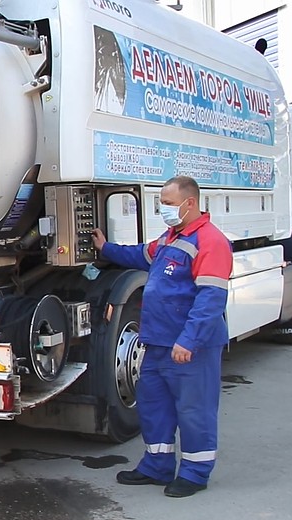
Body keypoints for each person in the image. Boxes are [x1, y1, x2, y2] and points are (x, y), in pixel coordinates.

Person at [91, 175, 232, 498]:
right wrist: (105, 248)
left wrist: (189, 341)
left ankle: (195, 472)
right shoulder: (171, 238)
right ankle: (157, 465)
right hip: (157, 343)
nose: (163, 210)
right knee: (154, 406)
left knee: (194, 410)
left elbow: (210, 299)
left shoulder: (210, 242)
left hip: (188, 347)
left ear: (190, 203)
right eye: (162, 204)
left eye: (168, 204)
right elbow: (141, 255)